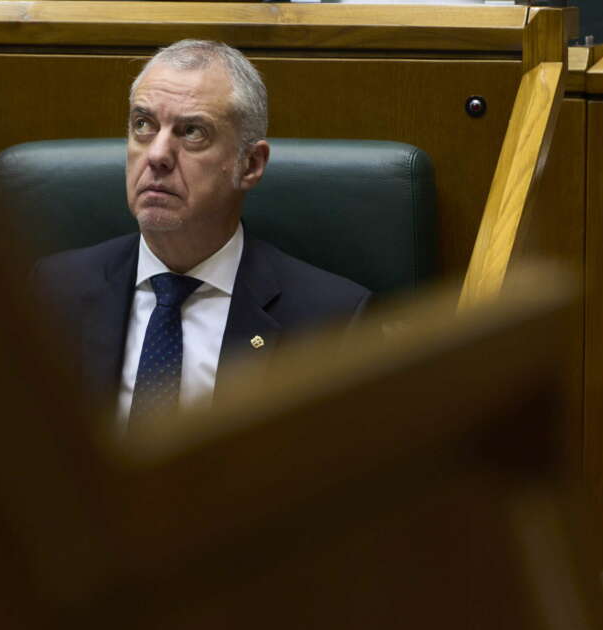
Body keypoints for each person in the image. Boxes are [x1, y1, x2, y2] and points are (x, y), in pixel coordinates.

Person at [34, 40, 370, 426]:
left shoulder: (332, 323)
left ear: (250, 164)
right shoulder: (53, 291)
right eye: (143, 125)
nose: (157, 155)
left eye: (192, 132)